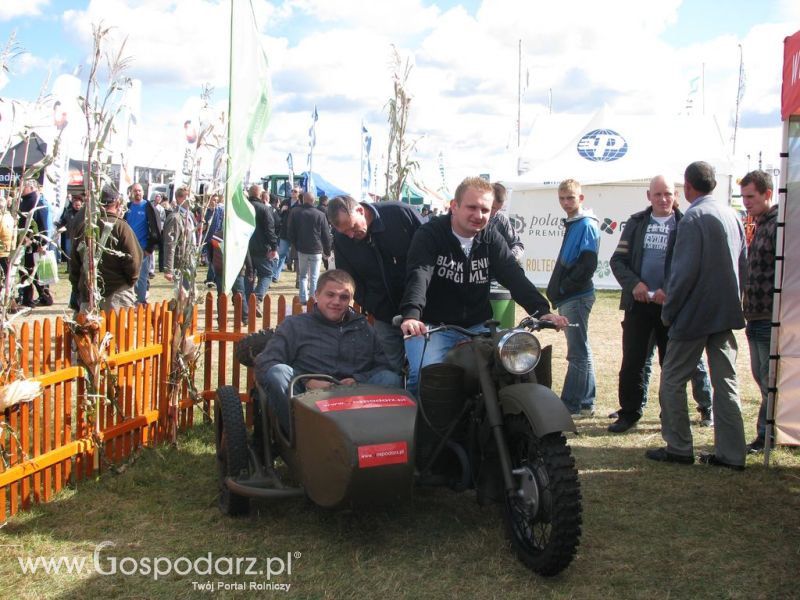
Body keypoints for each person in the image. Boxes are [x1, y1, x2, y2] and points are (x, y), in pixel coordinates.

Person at [399, 176, 568, 396]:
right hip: (434, 326)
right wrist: (412, 315)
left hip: (479, 326)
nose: (478, 215)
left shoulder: (490, 237)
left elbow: (512, 274)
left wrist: (541, 311)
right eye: (472, 207)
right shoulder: (430, 234)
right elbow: (419, 274)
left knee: (511, 369)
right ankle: (418, 427)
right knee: (425, 375)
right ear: (454, 206)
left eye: (485, 210)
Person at [646, 161, 747, 470]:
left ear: (687, 188)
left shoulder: (693, 218)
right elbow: (743, 265)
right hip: (725, 313)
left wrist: (669, 311)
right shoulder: (733, 215)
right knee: (726, 383)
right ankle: (732, 454)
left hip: (694, 315)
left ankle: (679, 447)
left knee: (672, 381)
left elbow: (683, 273)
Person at [255, 269, 402, 433]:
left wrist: (357, 380)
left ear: (351, 300)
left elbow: (383, 366)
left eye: (344, 297)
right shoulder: (294, 325)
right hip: (306, 401)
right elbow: (266, 362)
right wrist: (307, 381)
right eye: (330, 295)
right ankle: (298, 439)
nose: (336, 301)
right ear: (317, 295)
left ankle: (377, 436)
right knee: (278, 372)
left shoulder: (363, 328)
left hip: (355, 399)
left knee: (391, 379)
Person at [327, 194, 423, 373]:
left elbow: (430, 252)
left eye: (352, 227)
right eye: (344, 232)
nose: (350, 235)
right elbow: (349, 279)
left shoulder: (399, 214)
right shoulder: (342, 241)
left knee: (421, 369)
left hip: (422, 312)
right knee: (391, 370)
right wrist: (375, 305)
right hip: (384, 316)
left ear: (360, 210)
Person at [546, 179, 600, 417]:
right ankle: (586, 402)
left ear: (581, 197)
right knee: (581, 349)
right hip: (573, 295)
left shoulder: (585, 224)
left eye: (570, 197)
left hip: (576, 296)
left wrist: (564, 288)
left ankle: (572, 404)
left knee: (577, 352)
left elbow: (587, 265)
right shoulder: (576, 222)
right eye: (562, 198)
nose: (566, 202)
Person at [740, 170, 777, 453]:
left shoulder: (778, 226)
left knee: (768, 380)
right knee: (761, 377)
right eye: (743, 197)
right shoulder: (761, 223)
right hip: (755, 315)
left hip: (769, 317)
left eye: (750, 196)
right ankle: (768, 433)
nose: (745, 203)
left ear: (767, 193)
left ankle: (768, 435)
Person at [70, 186, 142, 312]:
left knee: (89, 331)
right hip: (116, 293)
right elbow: (134, 261)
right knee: (117, 331)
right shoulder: (121, 227)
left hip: (89, 293)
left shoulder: (84, 227)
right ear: (118, 203)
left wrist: (77, 286)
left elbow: (74, 263)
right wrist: (130, 281)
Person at [289, 191, 332, 305]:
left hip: (302, 248)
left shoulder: (295, 212)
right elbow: (326, 234)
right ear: (314, 201)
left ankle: (303, 298)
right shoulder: (320, 215)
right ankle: (313, 298)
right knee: (314, 276)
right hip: (316, 249)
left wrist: (295, 244)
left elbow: (291, 231)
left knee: (303, 275)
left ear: (303, 199)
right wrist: (327, 250)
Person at [18, 179, 53, 307]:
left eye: (23, 187)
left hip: (32, 242)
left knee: (31, 271)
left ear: (31, 188)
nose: (20, 189)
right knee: (29, 270)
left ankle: (34, 298)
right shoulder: (25, 201)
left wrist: (42, 243)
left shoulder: (37, 201)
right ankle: (42, 297)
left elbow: (42, 224)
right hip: (25, 242)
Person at [124, 183, 161, 305]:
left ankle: (141, 301)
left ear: (143, 192)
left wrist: (150, 248)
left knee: (142, 276)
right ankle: (130, 299)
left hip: (143, 248)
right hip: (128, 247)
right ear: (131, 193)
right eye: (135, 191)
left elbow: (156, 228)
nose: (138, 193)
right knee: (129, 274)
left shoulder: (148, 207)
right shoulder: (127, 207)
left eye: (139, 191)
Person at [245, 184, 278, 315]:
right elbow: (270, 230)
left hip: (245, 248)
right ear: (260, 195)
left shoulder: (243, 208)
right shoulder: (264, 209)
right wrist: (274, 247)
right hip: (261, 247)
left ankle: (248, 303)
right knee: (267, 274)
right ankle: (256, 299)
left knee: (249, 276)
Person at [162, 186, 196, 284]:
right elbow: (170, 243)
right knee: (183, 294)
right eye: (190, 197)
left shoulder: (190, 215)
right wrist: (168, 269)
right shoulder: (175, 218)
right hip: (181, 263)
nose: (193, 200)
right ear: (180, 199)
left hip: (190, 261)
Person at [273, 185, 302, 281]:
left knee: (298, 257)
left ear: (299, 193)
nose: (293, 192)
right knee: (281, 254)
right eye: (292, 190)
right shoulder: (285, 201)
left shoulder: (300, 203)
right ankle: (275, 275)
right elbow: (278, 215)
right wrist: (281, 210)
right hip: (285, 232)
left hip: (296, 234)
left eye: (295, 191)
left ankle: (299, 280)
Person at [489, 182, 524, 261]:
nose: (494, 213)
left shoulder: (501, 220)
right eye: (492, 208)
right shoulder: (472, 218)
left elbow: (518, 245)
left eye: (498, 209)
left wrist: (509, 258)